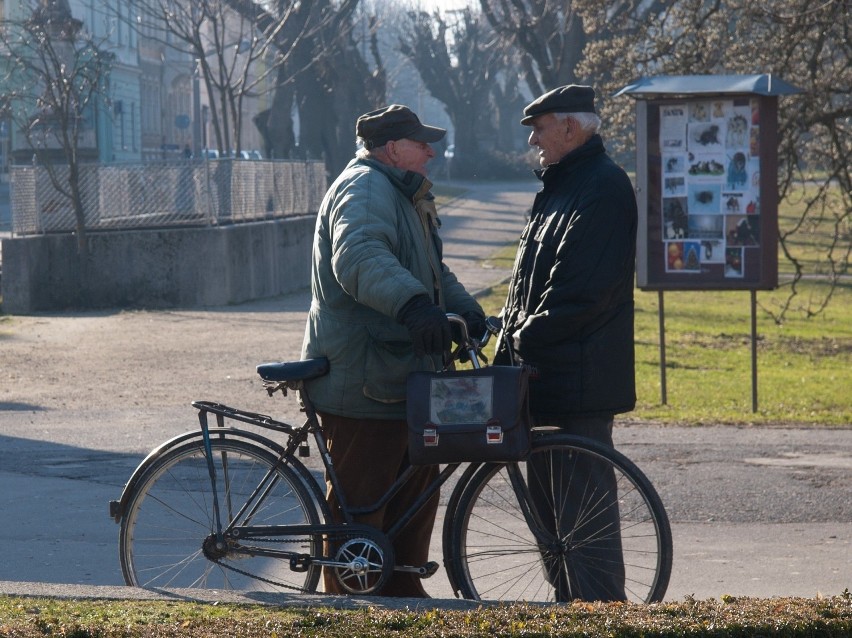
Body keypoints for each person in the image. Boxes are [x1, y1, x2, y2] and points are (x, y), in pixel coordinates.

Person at [301, 104, 486, 597]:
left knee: (414, 490)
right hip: (365, 379)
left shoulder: (402, 193)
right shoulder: (364, 189)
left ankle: (403, 589)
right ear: (391, 149)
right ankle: (350, 604)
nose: (431, 151)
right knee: (362, 505)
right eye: (421, 143)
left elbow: (433, 272)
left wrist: (469, 314)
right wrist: (413, 308)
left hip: (401, 376)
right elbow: (359, 256)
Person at [494, 85, 638, 601]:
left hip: (580, 382)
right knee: (553, 523)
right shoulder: (561, 185)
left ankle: (600, 616)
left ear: (571, 128)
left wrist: (519, 334)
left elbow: (581, 293)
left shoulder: (601, 187)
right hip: (546, 378)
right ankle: (569, 609)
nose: (533, 139)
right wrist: (506, 330)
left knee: (584, 524)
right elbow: (530, 282)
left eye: (539, 127)